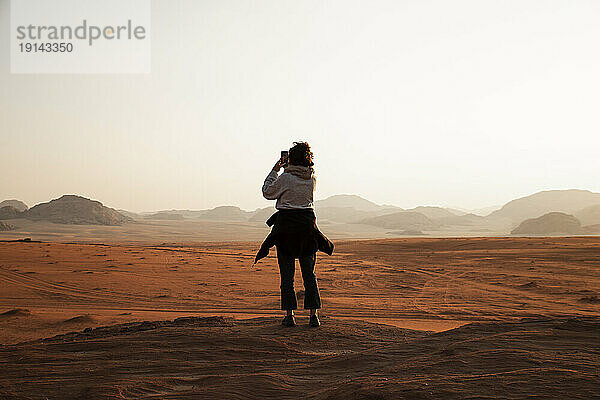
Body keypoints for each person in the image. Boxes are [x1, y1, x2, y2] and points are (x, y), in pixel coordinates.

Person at [255, 141, 333, 327]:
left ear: (290, 159)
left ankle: (290, 315)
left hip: (287, 229)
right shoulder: (312, 179)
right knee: (309, 275)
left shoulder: (286, 178)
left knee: (287, 275)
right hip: (307, 229)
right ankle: (314, 316)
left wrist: (275, 170)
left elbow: (267, 192)